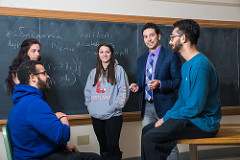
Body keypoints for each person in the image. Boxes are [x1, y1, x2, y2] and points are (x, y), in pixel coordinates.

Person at [141, 19, 222, 160]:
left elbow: (194, 107)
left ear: (183, 38)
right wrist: (166, 117)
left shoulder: (200, 66)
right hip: (191, 118)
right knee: (147, 130)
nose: (170, 41)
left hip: (203, 123)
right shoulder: (185, 66)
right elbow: (182, 101)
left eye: (173, 37)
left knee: (151, 138)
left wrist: (166, 119)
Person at [7, 60, 101, 160]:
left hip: (33, 156)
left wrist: (64, 146)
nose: (48, 76)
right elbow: (62, 136)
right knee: (94, 158)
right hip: (39, 158)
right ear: (33, 78)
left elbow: (36, 138)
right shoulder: (34, 103)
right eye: (44, 73)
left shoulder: (22, 101)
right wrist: (63, 117)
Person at [129, 23, 181, 159]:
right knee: (149, 143)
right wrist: (137, 87)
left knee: (169, 144)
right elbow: (142, 82)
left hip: (166, 107)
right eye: (145, 37)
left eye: (151, 35)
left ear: (158, 36)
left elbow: (178, 81)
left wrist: (160, 84)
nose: (149, 39)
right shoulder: (141, 60)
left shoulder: (171, 56)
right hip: (147, 108)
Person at [84, 42, 130, 160]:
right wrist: (91, 108)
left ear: (111, 54)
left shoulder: (119, 70)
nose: (104, 54)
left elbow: (124, 92)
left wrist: (113, 107)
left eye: (107, 52)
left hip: (113, 116)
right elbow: (87, 92)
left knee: (112, 146)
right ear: (98, 54)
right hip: (96, 116)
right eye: (102, 52)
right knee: (103, 147)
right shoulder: (93, 72)